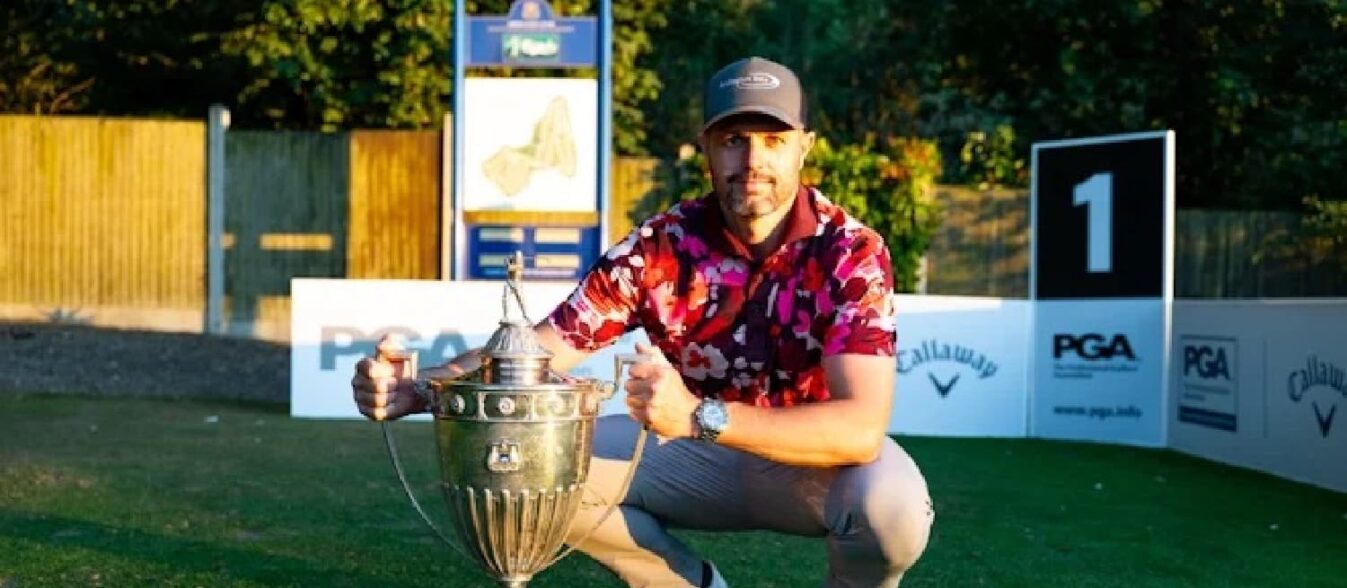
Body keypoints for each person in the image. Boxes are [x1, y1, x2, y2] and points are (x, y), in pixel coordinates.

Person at [353, 56, 934, 588]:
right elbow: (539, 350)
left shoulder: (849, 250)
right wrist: (421, 388)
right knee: (531, 465)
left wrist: (698, 415)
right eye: (733, 141)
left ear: (804, 147)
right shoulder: (661, 245)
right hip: (691, 455)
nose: (753, 162)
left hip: (805, 461)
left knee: (892, 509)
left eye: (773, 140)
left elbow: (860, 427)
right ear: (705, 147)